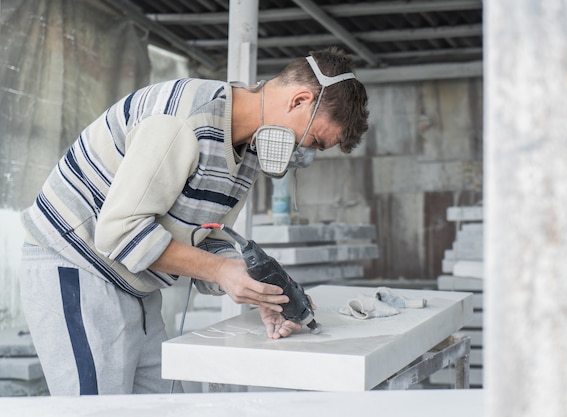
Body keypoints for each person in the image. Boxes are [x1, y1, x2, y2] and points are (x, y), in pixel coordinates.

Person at [18, 46, 369, 396]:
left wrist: (260, 287)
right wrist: (220, 271)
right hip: (76, 268)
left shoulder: (247, 149)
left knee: (164, 404)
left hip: (132, 282)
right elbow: (119, 232)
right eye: (314, 141)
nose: (303, 154)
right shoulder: (184, 119)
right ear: (299, 100)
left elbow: (205, 238)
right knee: (97, 408)